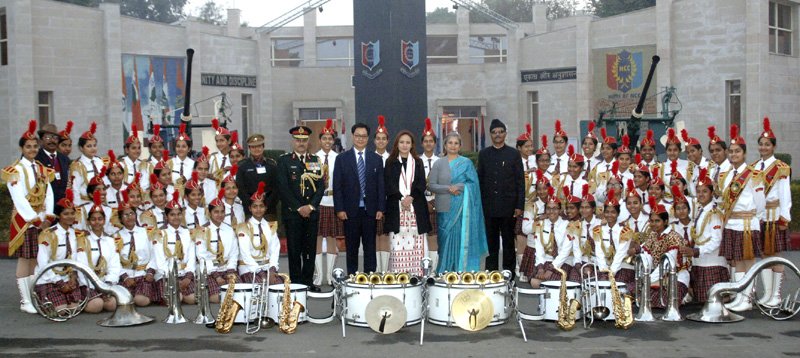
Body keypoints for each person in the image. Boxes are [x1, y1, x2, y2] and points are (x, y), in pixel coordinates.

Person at [3, 120, 57, 313]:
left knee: (36, 258)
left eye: (35, 146)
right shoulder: (14, 171)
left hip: (41, 220)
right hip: (25, 221)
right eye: (28, 146)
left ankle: (34, 297)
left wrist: (48, 216)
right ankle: (25, 301)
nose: (32, 149)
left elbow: (49, 193)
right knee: (25, 259)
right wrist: (34, 219)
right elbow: (19, 199)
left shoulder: (43, 169)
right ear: (22, 148)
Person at [719, 125, 765, 312]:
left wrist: (753, 218)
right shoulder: (726, 175)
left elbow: (760, 203)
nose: (733, 154)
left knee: (748, 261)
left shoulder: (754, 174)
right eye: (731, 151)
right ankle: (739, 296)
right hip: (732, 223)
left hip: (747, 223)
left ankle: (748, 298)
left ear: (744, 154)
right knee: (737, 261)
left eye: (737, 151)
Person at [428, 132, 487, 272]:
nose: (453, 146)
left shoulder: (466, 163)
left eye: (456, 143)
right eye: (450, 143)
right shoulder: (438, 163)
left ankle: (461, 270)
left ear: (460, 146)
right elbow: (431, 185)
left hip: (462, 208)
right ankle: (444, 271)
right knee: (444, 240)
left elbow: (474, 184)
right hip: (444, 207)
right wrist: (448, 188)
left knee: (461, 238)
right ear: (445, 145)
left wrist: (460, 186)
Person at [276, 125, 324, 292]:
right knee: (295, 250)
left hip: (311, 213)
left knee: (310, 249)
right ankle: (296, 283)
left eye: (304, 140)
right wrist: (299, 208)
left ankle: (308, 281)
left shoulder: (314, 160)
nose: (301, 143)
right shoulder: (284, 161)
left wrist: (310, 206)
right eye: (298, 140)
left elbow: (320, 187)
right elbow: (283, 188)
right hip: (293, 214)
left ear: (308, 141)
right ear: (293, 141)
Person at [333, 123, 385, 274]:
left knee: (370, 247)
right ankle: (352, 277)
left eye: (363, 136)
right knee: (351, 247)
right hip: (350, 211)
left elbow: (381, 186)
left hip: (370, 211)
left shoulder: (376, 159)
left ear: (368, 138)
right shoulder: (342, 159)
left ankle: (370, 277)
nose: (360, 139)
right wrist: (340, 209)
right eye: (357, 136)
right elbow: (337, 186)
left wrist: (381, 208)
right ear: (352, 136)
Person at [477, 119, 524, 278]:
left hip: (508, 207)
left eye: (500, 132)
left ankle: (508, 275)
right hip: (489, 207)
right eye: (494, 132)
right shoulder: (484, 154)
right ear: (490, 135)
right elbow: (480, 180)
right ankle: (491, 275)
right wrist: (480, 205)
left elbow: (520, 181)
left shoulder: (513, 154)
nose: (497, 135)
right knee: (491, 243)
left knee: (509, 242)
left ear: (505, 134)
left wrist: (519, 205)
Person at [753, 117, 792, 307]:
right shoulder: (754, 167)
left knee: (775, 255)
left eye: (767, 144)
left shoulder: (781, 168)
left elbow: (785, 194)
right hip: (760, 217)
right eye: (761, 144)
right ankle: (767, 294)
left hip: (775, 216)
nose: (763, 147)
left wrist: (785, 216)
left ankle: (776, 295)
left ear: (773, 147)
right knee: (763, 255)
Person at [629, 195, 691, 308]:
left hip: (676, 276)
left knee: (662, 301)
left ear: (665, 221)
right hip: (657, 277)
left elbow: (666, 265)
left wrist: (647, 281)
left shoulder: (673, 237)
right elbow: (647, 258)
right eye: (652, 221)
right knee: (633, 291)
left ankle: (685, 295)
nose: (654, 224)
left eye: (657, 221)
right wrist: (644, 278)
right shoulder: (653, 235)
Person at [383, 130, 430, 276]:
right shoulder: (390, 162)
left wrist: (410, 198)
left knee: (418, 243)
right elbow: (388, 184)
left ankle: (418, 275)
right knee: (397, 244)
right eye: (402, 142)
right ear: (397, 144)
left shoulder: (418, 162)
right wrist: (402, 198)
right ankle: (399, 276)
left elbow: (421, 183)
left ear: (412, 145)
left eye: (407, 142)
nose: (404, 145)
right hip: (396, 208)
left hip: (416, 207)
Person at [684, 168, 728, 303]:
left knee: (712, 302)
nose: (701, 194)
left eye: (704, 191)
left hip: (712, 264)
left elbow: (716, 241)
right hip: (700, 263)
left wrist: (697, 251)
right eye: (698, 191)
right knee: (701, 302)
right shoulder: (700, 211)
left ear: (712, 193)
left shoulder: (714, 213)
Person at [34, 189, 82, 312]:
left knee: (75, 309)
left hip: (67, 278)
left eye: (72, 213)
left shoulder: (75, 234)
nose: (70, 216)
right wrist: (59, 282)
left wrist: (73, 276)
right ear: (58, 216)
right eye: (66, 214)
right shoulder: (48, 234)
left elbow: (75, 259)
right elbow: (43, 263)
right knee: (61, 310)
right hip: (49, 279)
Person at [75, 191, 122, 313]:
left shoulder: (110, 241)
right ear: (88, 222)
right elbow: (82, 268)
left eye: (100, 219)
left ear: (104, 220)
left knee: (112, 305)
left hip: (106, 282)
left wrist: (107, 284)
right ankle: (84, 301)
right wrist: (97, 286)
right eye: (93, 219)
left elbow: (115, 266)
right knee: (96, 306)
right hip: (89, 284)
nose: (97, 222)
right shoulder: (83, 241)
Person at [150, 191, 197, 305]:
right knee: (176, 299)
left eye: (179, 214)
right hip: (166, 275)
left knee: (193, 299)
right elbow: (160, 262)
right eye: (172, 214)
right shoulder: (160, 234)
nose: (176, 217)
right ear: (166, 216)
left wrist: (188, 277)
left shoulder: (188, 233)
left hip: (184, 274)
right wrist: (173, 279)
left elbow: (191, 258)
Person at [194, 190, 240, 303]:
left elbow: (234, 253)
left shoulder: (229, 230)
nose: (220, 215)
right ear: (209, 213)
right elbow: (202, 256)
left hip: (227, 268)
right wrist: (216, 275)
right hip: (210, 271)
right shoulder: (202, 231)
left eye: (222, 212)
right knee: (216, 297)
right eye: (216, 212)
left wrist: (231, 270)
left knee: (240, 290)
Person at [114, 190, 158, 307]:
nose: (129, 217)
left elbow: (154, 255)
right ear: (120, 219)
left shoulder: (146, 232)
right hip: (126, 275)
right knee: (121, 300)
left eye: (131, 214)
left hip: (143, 274)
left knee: (141, 300)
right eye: (125, 215)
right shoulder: (116, 237)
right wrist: (125, 277)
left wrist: (150, 272)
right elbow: (115, 261)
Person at [523, 187, 573, 287]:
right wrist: (540, 267)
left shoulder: (568, 225)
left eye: (554, 208)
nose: (551, 211)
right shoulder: (540, 225)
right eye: (549, 208)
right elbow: (539, 249)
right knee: (534, 281)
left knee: (551, 283)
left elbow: (565, 251)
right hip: (546, 260)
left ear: (560, 210)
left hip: (563, 261)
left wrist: (552, 269)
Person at [314, 119, 343, 286]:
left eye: (330, 138)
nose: (327, 141)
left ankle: (330, 274)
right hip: (318, 202)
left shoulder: (338, 158)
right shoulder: (313, 158)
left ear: (333, 141)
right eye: (324, 138)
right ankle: (319, 275)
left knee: (332, 238)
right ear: (320, 140)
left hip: (333, 201)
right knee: (318, 237)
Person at [237, 183, 282, 285]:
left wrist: (272, 269)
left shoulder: (270, 227)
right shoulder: (243, 228)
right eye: (255, 206)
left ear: (266, 208)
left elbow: (275, 250)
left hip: (267, 267)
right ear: (250, 208)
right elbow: (245, 254)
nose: (258, 209)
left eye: (261, 206)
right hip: (249, 269)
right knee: (261, 286)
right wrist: (260, 272)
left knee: (280, 286)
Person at [593, 189, 635, 289]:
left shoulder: (625, 231)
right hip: (605, 267)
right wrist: (604, 270)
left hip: (623, 266)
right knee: (598, 283)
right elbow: (599, 252)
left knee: (615, 284)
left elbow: (621, 254)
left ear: (618, 213)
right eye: (607, 212)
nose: (609, 215)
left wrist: (611, 272)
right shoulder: (598, 230)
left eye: (613, 212)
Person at [237, 133, 278, 220]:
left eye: (259, 146)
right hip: (249, 210)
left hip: (269, 209)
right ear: (249, 148)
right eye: (253, 147)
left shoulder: (272, 165)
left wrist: (265, 205)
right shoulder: (242, 166)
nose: (256, 149)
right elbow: (240, 189)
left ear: (263, 147)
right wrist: (252, 205)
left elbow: (276, 187)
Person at [420, 118, 440, 272]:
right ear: (422, 143)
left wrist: (435, 201)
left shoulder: (441, 162)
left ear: (435, 143)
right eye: (425, 141)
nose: (428, 144)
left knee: (434, 236)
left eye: (431, 141)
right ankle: (421, 268)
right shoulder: (416, 161)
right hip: (420, 203)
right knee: (421, 237)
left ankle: (433, 270)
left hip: (437, 202)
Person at [514, 124, 534, 277]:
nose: (529, 149)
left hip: (534, 205)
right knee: (520, 235)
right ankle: (520, 267)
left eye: (531, 146)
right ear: (519, 148)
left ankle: (529, 266)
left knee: (531, 236)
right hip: (521, 203)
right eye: (526, 146)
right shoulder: (515, 161)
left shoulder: (535, 160)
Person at [70, 122, 105, 207]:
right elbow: (75, 188)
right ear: (81, 148)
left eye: (94, 145)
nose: (93, 148)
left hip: (102, 202)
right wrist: (77, 206)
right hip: (86, 203)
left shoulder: (100, 161)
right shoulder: (78, 165)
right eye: (89, 146)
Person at [36, 123, 70, 203]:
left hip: (62, 204)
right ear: (41, 140)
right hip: (44, 203)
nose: (52, 140)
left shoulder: (64, 159)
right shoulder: (36, 158)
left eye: (55, 138)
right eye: (48, 137)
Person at [374, 116, 391, 272]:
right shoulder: (369, 158)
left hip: (389, 202)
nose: (381, 141)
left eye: (383, 138)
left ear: (387, 141)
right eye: (378, 138)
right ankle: (377, 270)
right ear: (374, 140)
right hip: (372, 203)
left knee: (385, 235)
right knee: (374, 235)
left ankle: (385, 270)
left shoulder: (392, 159)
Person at [681, 129, 711, 198]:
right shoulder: (689, 168)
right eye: (688, 152)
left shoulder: (711, 165)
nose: (690, 154)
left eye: (692, 151)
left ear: (700, 150)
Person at [121, 124, 149, 191]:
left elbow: (146, 184)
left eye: (139, 148)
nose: (137, 151)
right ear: (127, 150)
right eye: (133, 148)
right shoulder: (121, 165)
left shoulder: (144, 165)